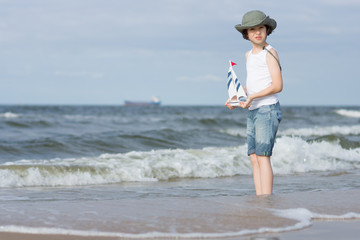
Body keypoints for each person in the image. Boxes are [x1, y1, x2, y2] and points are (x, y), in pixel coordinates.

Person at [225, 10, 283, 195]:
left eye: (261, 28)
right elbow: (251, 84)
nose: (257, 32)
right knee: (253, 157)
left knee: (263, 156)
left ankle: (266, 199)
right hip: (254, 109)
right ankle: (260, 197)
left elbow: (278, 85)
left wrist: (253, 97)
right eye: (252, 29)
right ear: (246, 34)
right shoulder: (248, 55)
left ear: (267, 30)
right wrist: (238, 97)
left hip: (267, 110)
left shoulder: (270, 52)